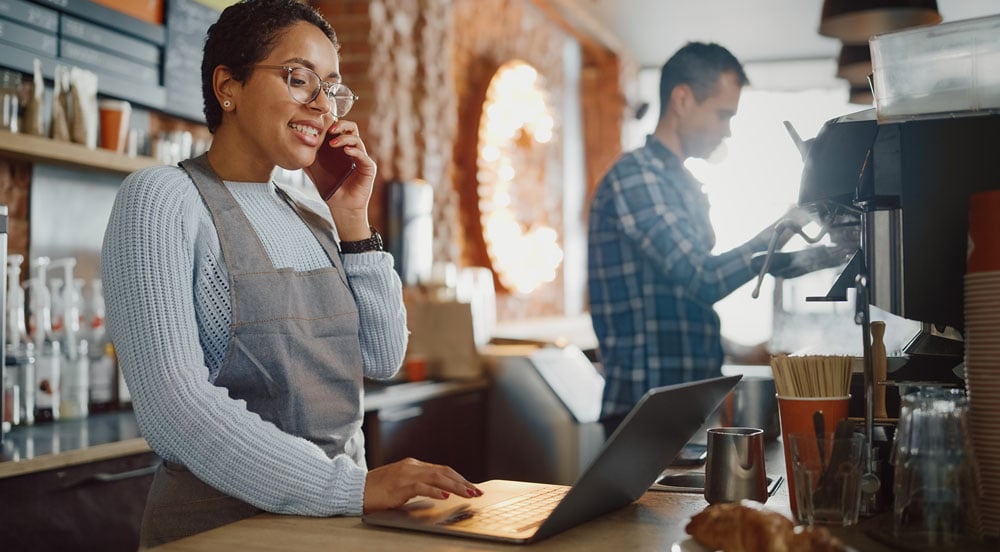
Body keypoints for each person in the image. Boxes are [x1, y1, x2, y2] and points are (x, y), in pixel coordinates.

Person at [101, 1, 480, 546]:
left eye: (331, 88)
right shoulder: (162, 199)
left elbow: (382, 356)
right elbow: (175, 411)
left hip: (331, 526)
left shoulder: (312, 211)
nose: (323, 106)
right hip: (221, 531)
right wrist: (349, 489)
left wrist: (353, 219)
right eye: (300, 79)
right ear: (228, 85)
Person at [587, 42, 805, 434]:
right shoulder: (637, 176)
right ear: (682, 99)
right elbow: (702, 279)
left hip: (687, 403)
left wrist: (738, 349)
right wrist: (783, 229)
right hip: (645, 409)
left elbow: (676, 306)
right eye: (723, 115)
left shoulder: (682, 183)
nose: (727, 130)